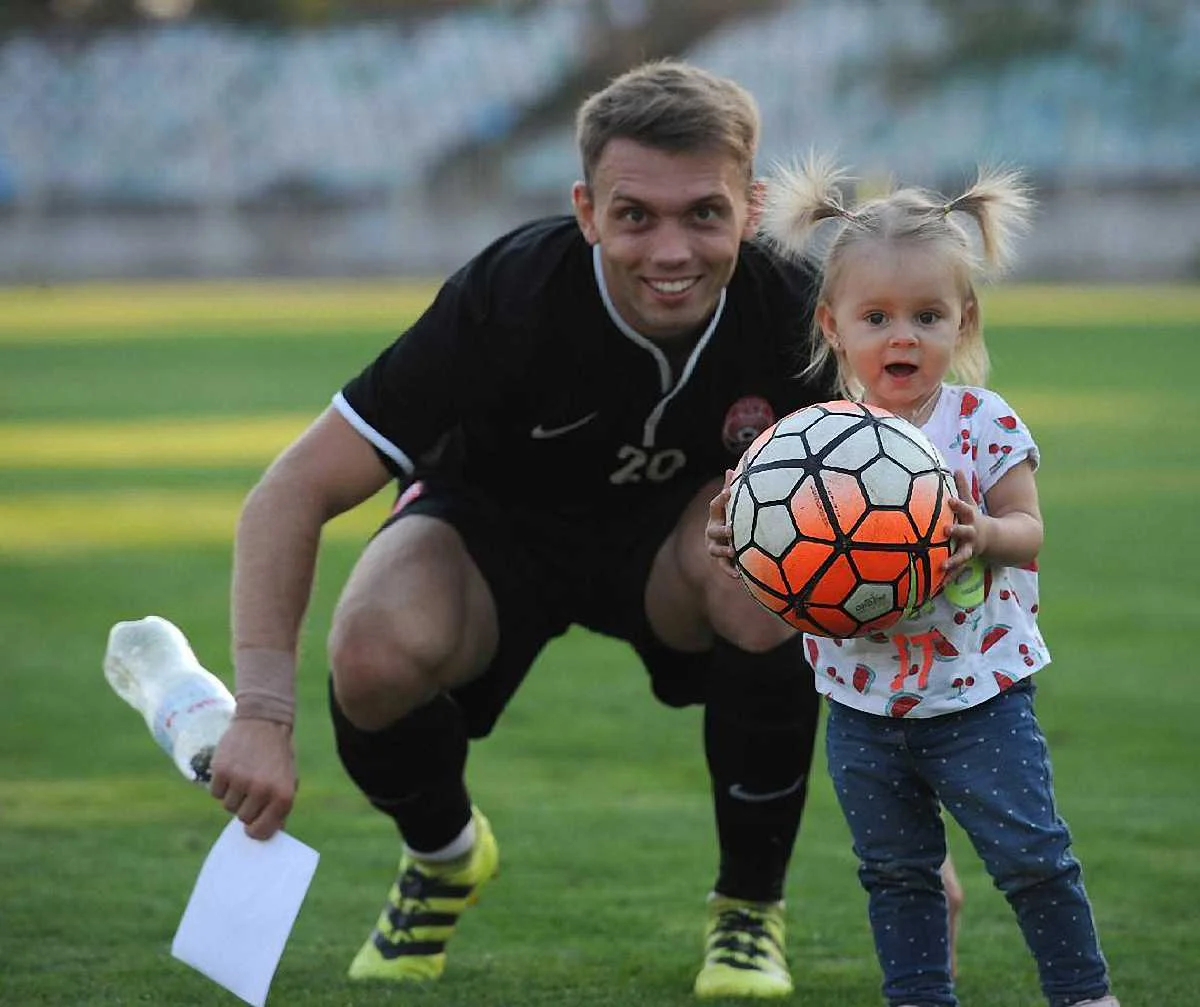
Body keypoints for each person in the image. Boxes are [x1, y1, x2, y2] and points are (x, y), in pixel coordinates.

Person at [209, 59, 839, 1000]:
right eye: (636, 216)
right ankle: (444, 855)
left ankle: (749, 908)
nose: (671, 249)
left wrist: (907, 826)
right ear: (586, 211)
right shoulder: (508, 295)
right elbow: (289, 491)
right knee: (372, 651)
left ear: (751, 209)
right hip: (492, 531)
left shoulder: (798, 312)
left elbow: (889, 528)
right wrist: (261, 716)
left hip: (681, 549)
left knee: (773, 556)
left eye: (704, 213)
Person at [708, 156, 1120, 1007]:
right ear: (832, 325)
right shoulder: (810, 443)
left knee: (1033, 857)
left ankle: (1083, 993)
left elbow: (1029, 528)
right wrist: (741, 539)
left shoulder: (982, 421)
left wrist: (984, 533)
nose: (903, 337)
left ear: (964, 321)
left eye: (927, 316)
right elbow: (786, 564)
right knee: (897, 873)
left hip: (978, 696)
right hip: (861, 706)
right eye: (878, 317)